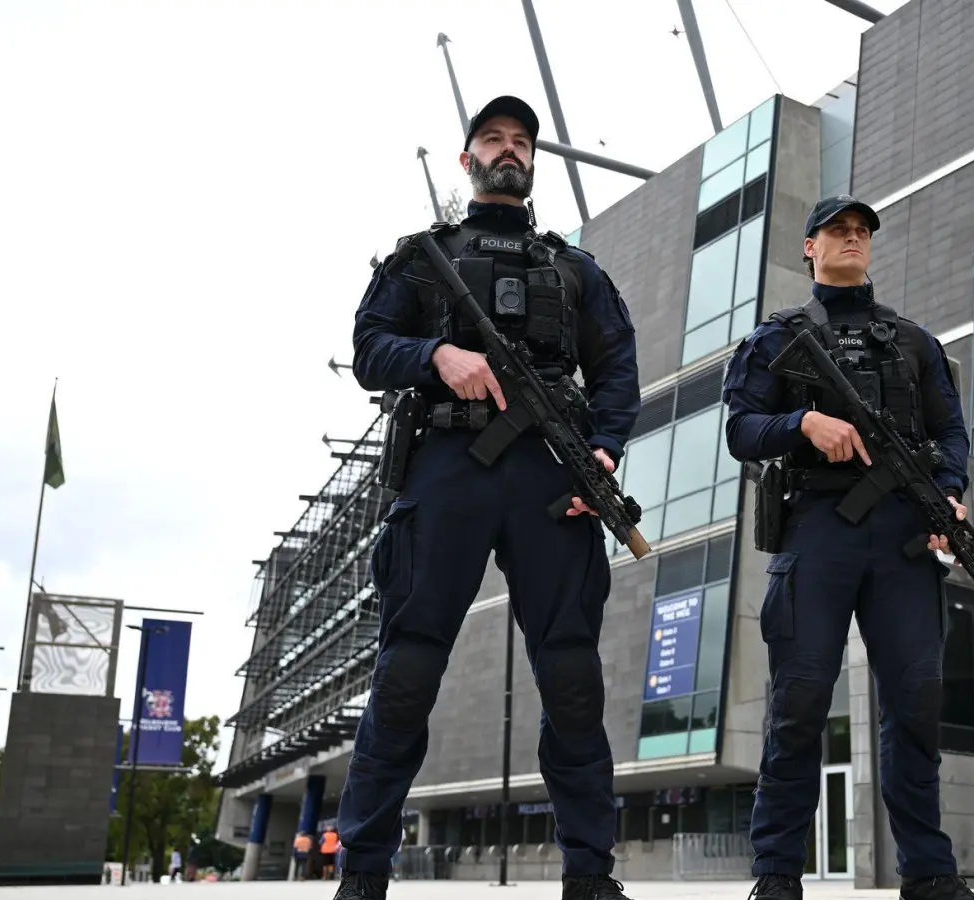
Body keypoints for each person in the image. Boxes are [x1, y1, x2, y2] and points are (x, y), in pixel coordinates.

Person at [332, 95, 641, 900]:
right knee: (405, 674)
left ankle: (589, 874)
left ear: (533, 162)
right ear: (467, 157)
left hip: (549, 473)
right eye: (493, 139)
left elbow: (616, 372)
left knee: (572, 676)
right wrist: (436, 354)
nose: (508, 150)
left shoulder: (576, 269)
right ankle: (362, 873)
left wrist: (601, 455)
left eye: (521, 142)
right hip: (448, 463)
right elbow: (367, 349)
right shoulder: (419, 258)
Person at [721, 195, 974, 900]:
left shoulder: (913, 343)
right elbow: (740, 431)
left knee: (917, 699)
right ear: (809, 247)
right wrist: (805, 423)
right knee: (800, 700)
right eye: (837, 231)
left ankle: (930, 874)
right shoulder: (775, 338)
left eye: (861, 232)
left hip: (905, 538)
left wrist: (947, 494)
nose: (852, 239)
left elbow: (951, 435)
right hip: (817, 527)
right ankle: (778, 874)